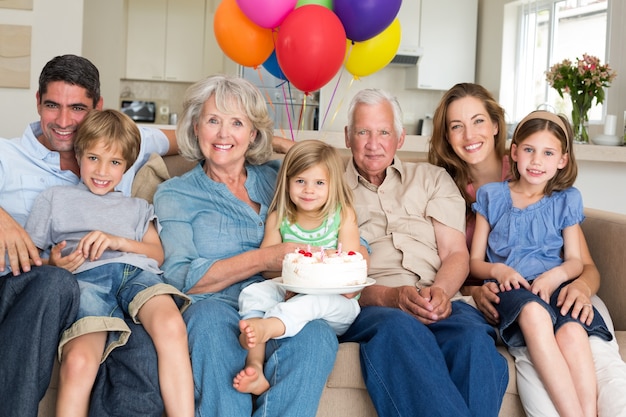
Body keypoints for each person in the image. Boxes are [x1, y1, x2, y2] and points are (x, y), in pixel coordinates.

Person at [429, 82, 626, 417]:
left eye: (477, 121)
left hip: (563, 291)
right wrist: (476, 291)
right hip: (513, 298)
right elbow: (462, 266)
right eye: (456, 126)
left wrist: (575, 284)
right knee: (535, 351)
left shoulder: (546, 185)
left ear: (495, 126)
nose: (468, 134)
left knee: (585, 345)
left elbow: (583, 264)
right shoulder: (444, 189)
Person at [0, 54, 177, 417]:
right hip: (25, 287)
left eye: (77, 108)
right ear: (38, 102)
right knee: (55, 283)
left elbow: (196, 137)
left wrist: (283, 145)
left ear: (98, 107)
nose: (63, 122)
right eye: (52, 105)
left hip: (107, 285)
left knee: (141, 351)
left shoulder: (120, 144)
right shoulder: (7, 156)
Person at [153, 74, 338, 417]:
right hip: (216, 305)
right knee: (207, 323)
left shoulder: (278, 176)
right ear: (196, 128)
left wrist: (358, 255)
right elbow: (180, 277)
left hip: (284, 303)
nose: (224, 134)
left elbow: (332, 218)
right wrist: (265, 258)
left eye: (237, 123)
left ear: (252, 134)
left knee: (317, 336)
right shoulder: (176, 193)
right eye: (213, 121)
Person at [337, 88, 508, 417]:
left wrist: (441, 293)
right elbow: (332, 273)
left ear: (400, 138)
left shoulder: (432, 179)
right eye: (363, 132)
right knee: (400, 330)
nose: (374, 144)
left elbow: (456, 253)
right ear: (348, 136)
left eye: (384, 132)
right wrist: (392, 297)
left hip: (438, 296)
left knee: (473, 340)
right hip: (374, 305)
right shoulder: (328, 187)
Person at [24, 109, 193, 417]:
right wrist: (54, 263)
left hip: (137, 275)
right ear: (78, 154)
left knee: (171, 325)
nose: (102, 170)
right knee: (78, 362)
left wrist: (117, 241)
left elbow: (157, 254)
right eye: (93, 158)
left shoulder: (138, 206)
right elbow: (31, 257)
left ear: (126, 166)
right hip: (86, 281)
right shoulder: (54, 198)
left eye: (115, 162)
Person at [469, 110, 612, 417]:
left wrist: (554, 276)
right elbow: (474, 263)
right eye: (530, 150)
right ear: (515, 151)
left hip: (555, 285)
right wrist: (498, 270)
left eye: (548, 153)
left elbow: (575, 261)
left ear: (562, 160)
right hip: (514, 288)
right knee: (534, 314)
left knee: (573, 333)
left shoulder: (566, 200)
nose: (536, 162)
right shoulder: (492, 196)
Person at [234, 139, 364, 395]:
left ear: (332, 185)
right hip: (290, 291)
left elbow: (351, 265)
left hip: (337, 304)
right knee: (254, 292)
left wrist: (306, 281)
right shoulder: (279, 218)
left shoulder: (342, 215)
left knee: (310, 302)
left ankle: (268, 326)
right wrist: (293, 281)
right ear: (287, 182)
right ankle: (255, 366)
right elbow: (268, 268)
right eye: (300, 181)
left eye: (319, 183)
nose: (308, 190)